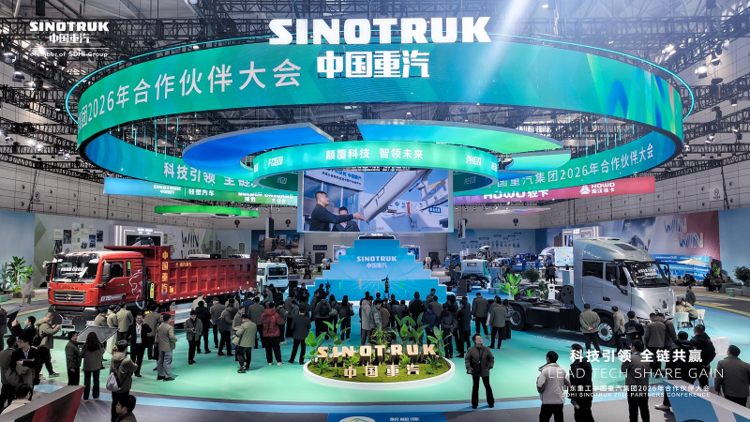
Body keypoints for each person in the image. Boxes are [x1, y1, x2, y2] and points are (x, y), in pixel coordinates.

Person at [655, 331, 698, 413]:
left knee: (670, 388)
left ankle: (666, 404)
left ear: (678, 337)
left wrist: (667, 370)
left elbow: (669, 360)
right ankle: (685, 406)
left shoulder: (674, 347)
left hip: (676, 372)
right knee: (687, 389)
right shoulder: (693, 348)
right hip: (690, 373)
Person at [621, 340, 651, 422]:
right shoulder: (647, 358)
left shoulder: (630, 358)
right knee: (644, 409)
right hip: (644, 387)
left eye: (631, 346)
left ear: (633, 348)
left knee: (633, 410)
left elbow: (623, 369)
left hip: (633, 388)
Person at [538, 350, 571, 422]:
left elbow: (540, 386)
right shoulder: (562, 370)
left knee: (543, 420)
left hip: (547, 401)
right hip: (559, 400)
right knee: (559, 420)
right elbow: (568, 384)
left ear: (547, 358)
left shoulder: (545, 370)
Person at [109, 340, 137, 422]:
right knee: (123, 406)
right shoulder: (127, 360)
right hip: (123, 387)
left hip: (114, 385)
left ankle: (113, 420)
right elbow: (134, 367)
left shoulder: (113, 357)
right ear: (126, 348)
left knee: (115, 404)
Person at [465, 333, 494, 409]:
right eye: (478, 339)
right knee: (475, 387)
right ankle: (474, 404)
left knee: (487, 386)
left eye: (480, 338)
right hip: (475, 370)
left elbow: (491, 358)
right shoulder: (471, 349)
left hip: (485, 370)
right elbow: (467, 359)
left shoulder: (486, 349)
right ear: (474, 341)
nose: (480, 339)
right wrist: (469, 368)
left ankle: (491, 402)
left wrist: (489, 367)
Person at [644, 312, 676, 377]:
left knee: (650, 358)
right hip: (661, 345)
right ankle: (658, 373)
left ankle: (651, 370)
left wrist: (645, 344)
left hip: (651, 345)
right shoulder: (663, 325)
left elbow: (646, 336)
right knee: (659, 360)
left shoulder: (650, 325)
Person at [569, 344, 594, 422]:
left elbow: (574, 382)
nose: (570, 353)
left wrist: (572, 396)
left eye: (571, 351)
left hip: (580, 395)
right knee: (587, 413)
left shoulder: (577, 366)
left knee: (580, 416)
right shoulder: (586, 362)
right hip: (587, 393)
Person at [690, 324, 715, 388]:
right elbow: (713, 353)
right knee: (704, 382)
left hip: (696, 365)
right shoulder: (708, 340)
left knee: (690, 381)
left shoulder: (693, 341)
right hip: (706, 365)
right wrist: (707, 362)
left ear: (695, 331)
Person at [155, 313, 176, 381]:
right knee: (167, 361)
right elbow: (171, 337)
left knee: (160, 360)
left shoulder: (160, 326)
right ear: (169, 319)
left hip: (160, 346)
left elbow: (157, 337)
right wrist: (175, 340)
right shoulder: (169, 327)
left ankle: (160, 374)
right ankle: (167, 376)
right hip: (168, 346)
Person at [0, 337, 19, 408]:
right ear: (15, 343)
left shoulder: (2, 352)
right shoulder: (14, 354)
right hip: (12, 379)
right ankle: (10, 411)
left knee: (3, 395)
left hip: (4, 378)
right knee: (11, 397)